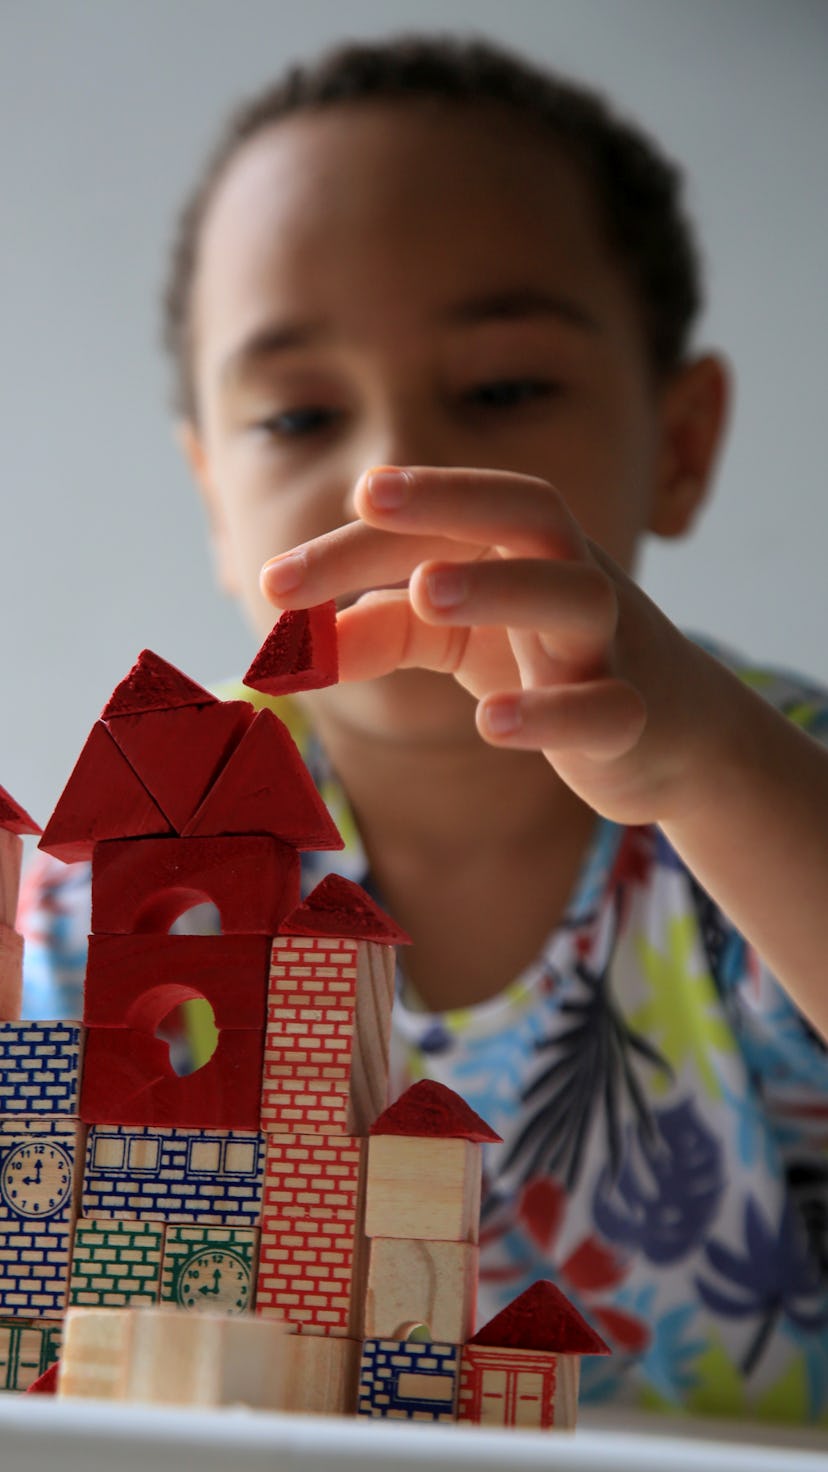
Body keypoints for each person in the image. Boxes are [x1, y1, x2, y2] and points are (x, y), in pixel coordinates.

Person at [21, 35, 828, 1420]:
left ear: (684, 442)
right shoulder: (141, 844)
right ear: (216, 498)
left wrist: (704, 763)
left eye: (505, 388)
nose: (393, 471)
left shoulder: (770, 780)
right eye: (297, 413)